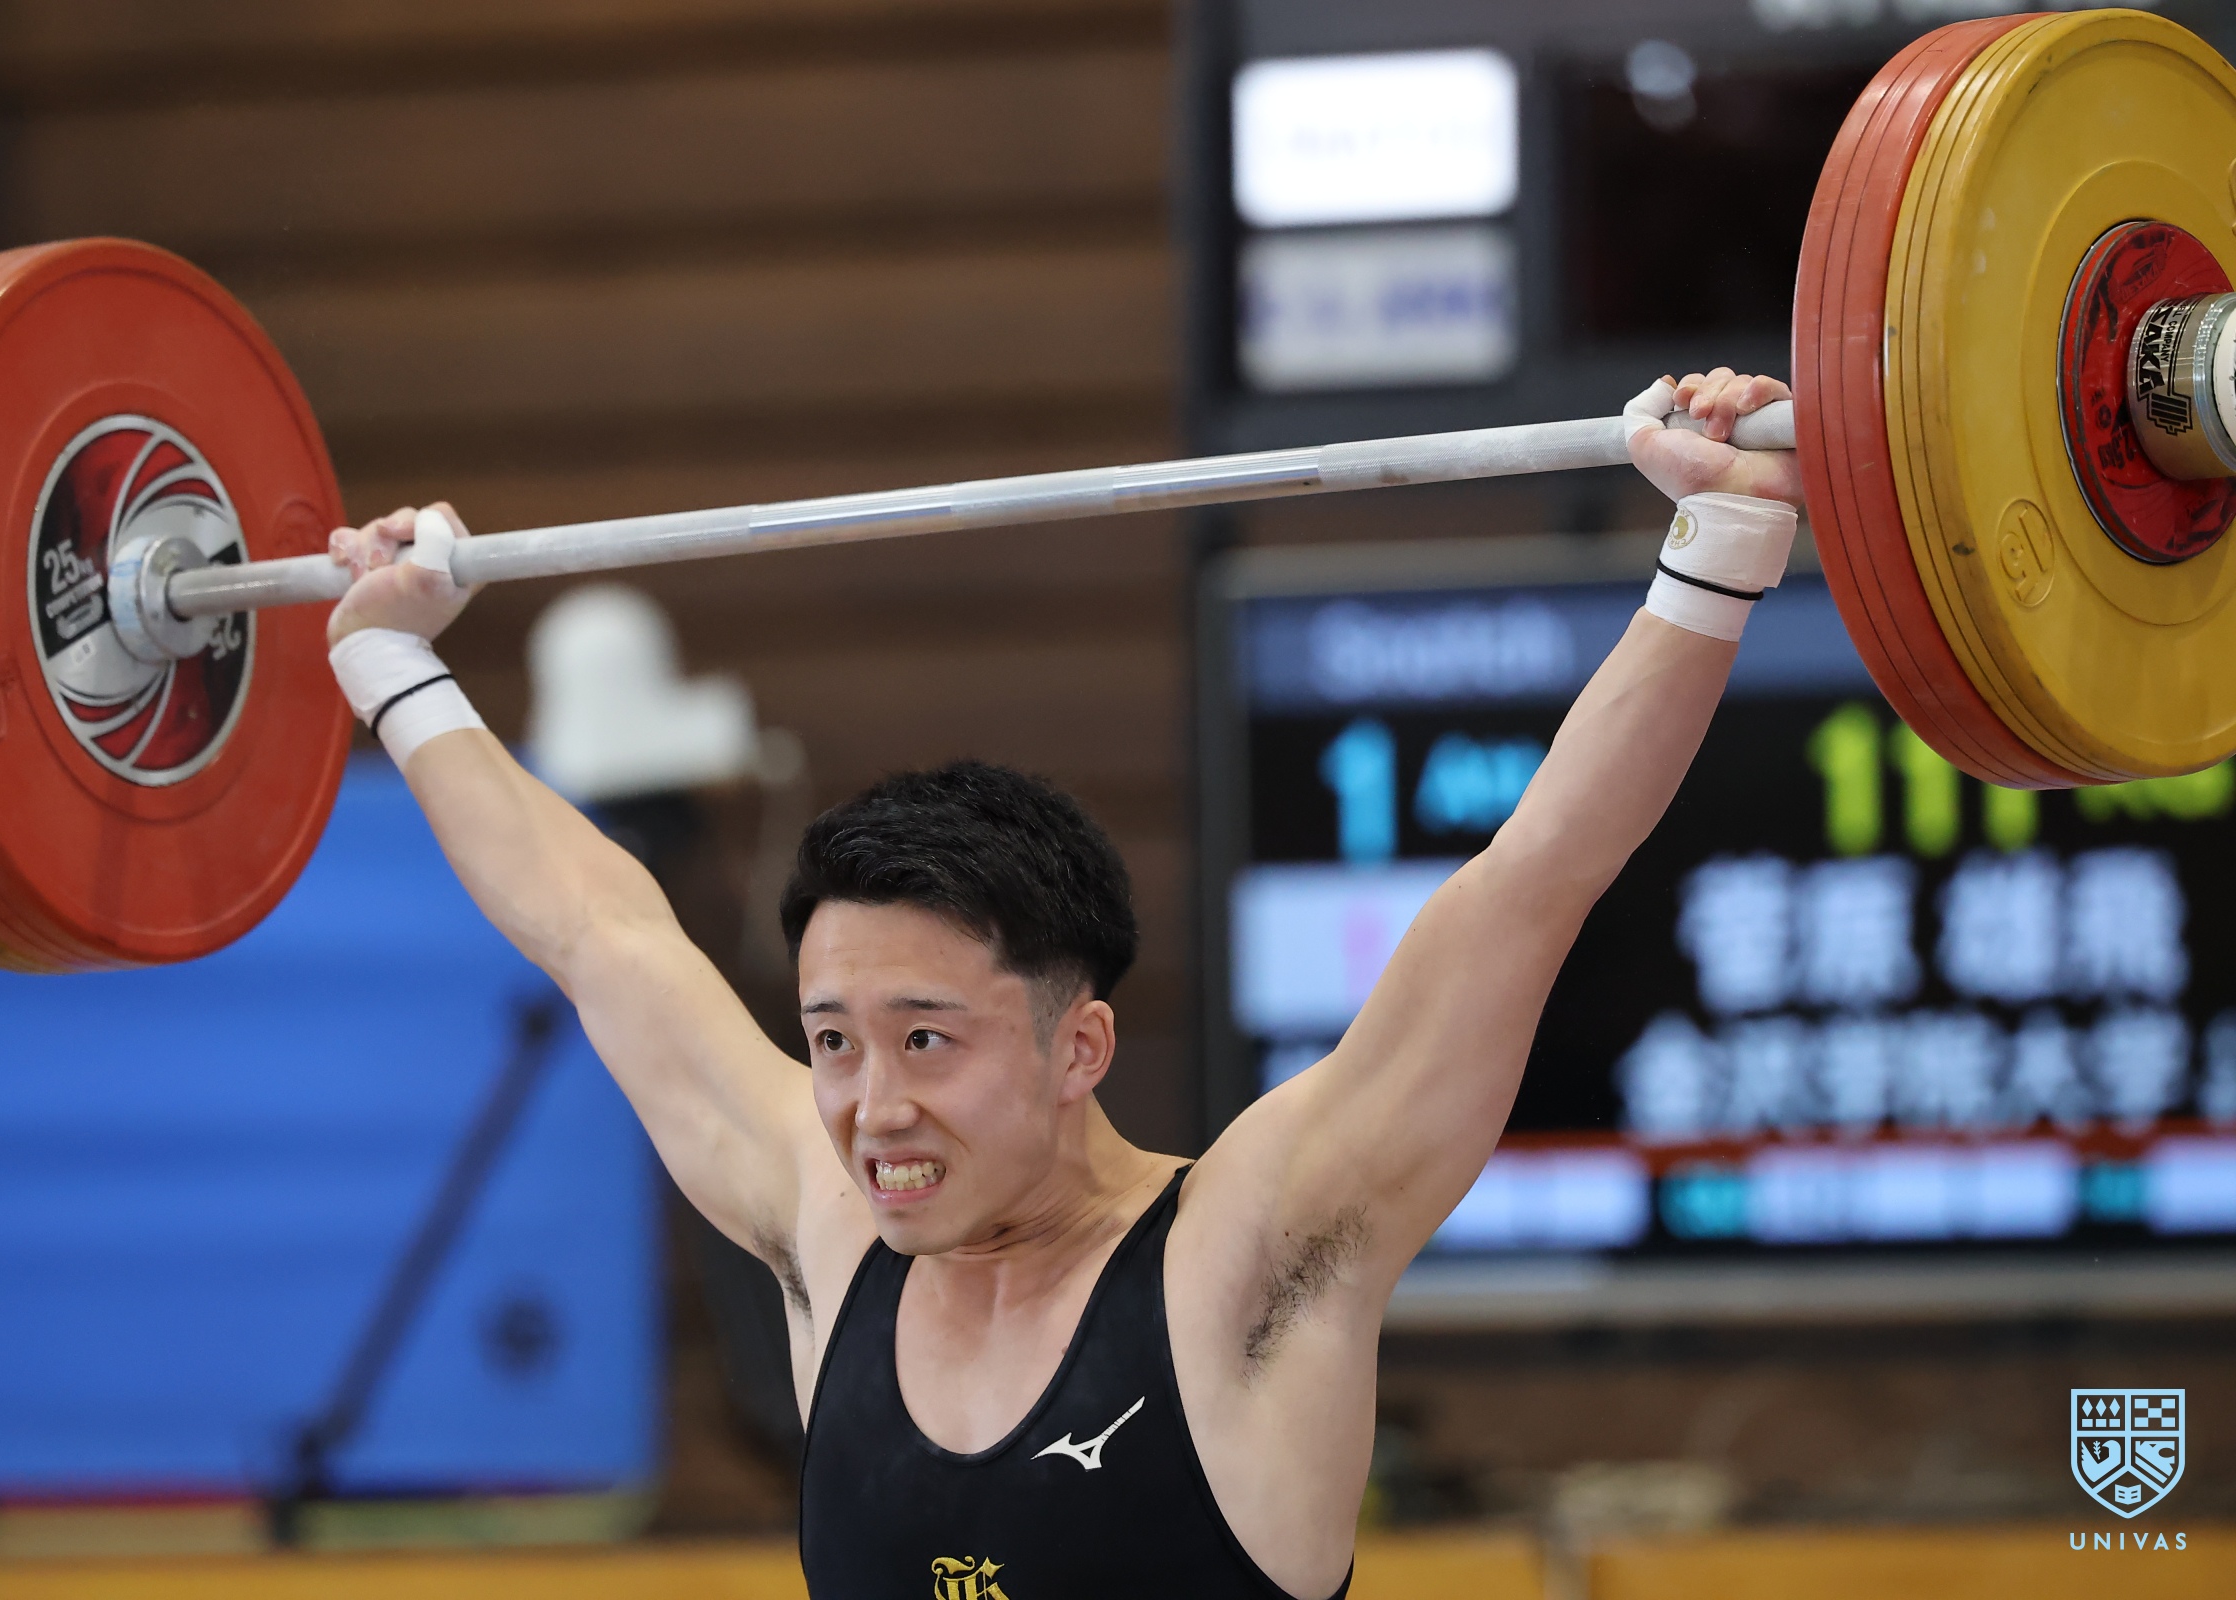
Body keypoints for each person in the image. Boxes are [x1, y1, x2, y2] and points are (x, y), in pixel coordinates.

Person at [323, 370, 1802, 1599]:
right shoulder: (830, 1229)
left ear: (1077, 1045)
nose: (872, 1107)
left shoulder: (1247, 1257)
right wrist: (392, 664)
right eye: (833, 1042)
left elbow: (1530, 885)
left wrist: (1723, 541)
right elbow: (598, 933)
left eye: (926, 1040)